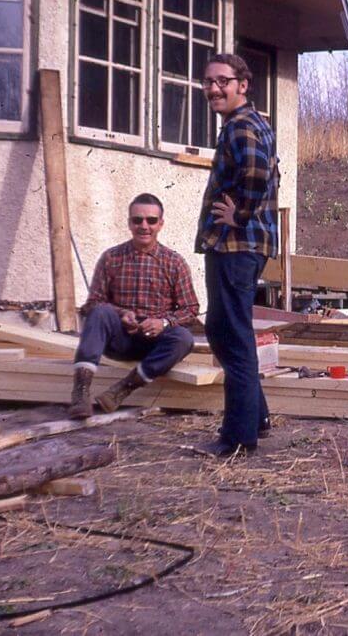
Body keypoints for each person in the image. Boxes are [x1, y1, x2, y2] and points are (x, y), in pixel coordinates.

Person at [195, 53, 280, 458]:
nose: (213, 88)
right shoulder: (246, 123)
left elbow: (257, 172)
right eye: (208, 82)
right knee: (224, 330)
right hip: (237, 246)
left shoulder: (242, 126)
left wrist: (240, 214)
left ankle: (237, 438)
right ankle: (257, 417)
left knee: (233, 335)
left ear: (242, 85)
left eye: (222, 81)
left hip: (236, 245)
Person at [67, 194, 198, 419]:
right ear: (129, 223)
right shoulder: (111, 257)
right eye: (137, 220)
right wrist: (121, 313)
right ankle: (81, 392)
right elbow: (92, 303)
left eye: (151, 220)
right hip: (120, 339)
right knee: (100, 312)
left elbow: (191, 308)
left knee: (183, 338)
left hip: (155, 343)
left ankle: (122, 390)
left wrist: (163, 322)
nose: (144, 226)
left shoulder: (174, 262)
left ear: (161, 224)